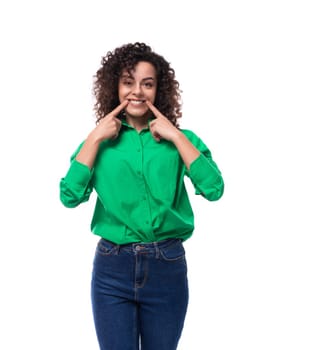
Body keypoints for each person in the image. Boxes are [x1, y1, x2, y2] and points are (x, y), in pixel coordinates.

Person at [59, 42, 224, 350]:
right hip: (112, 269)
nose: (137, 91)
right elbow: (69, 196)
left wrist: (175, 135)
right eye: (128, 82)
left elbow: (214, 188)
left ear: (158, 90)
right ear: (115, 87)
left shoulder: (182, 141)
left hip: (167, 266)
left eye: (147, 83)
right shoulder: (98, 143)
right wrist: (95, 136)